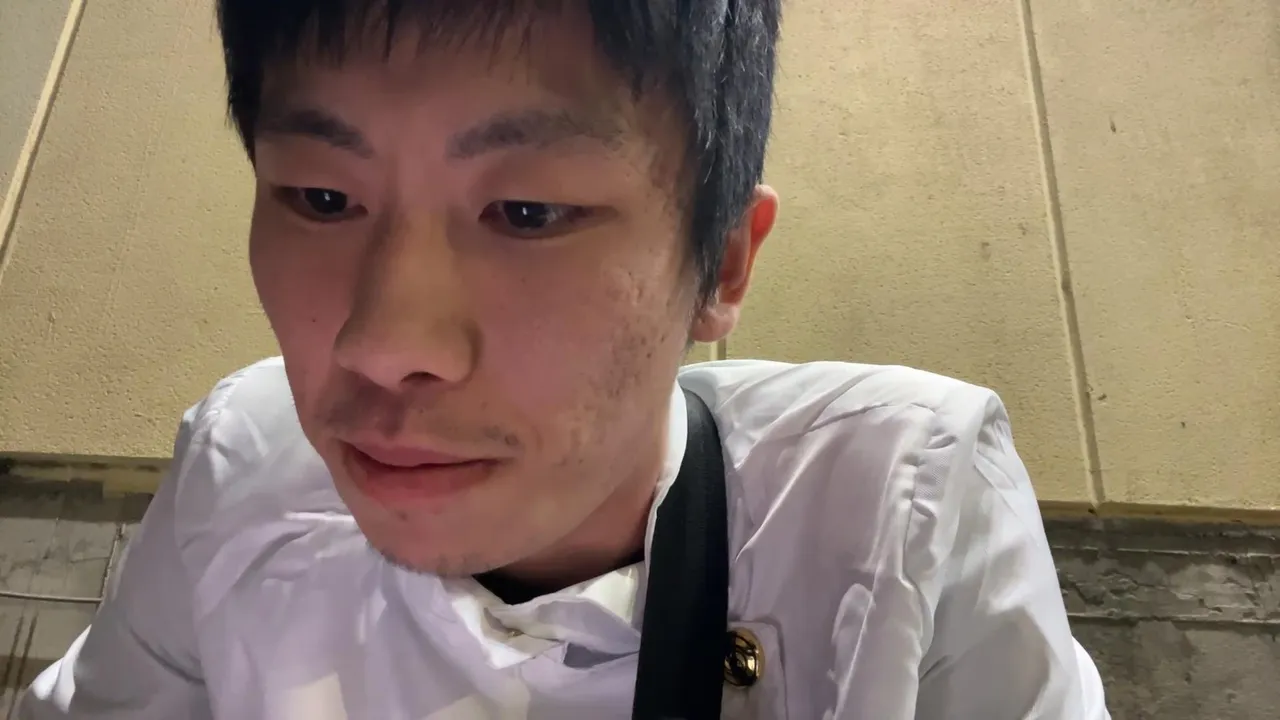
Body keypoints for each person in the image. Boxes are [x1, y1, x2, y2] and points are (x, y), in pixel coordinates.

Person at [19, 1, 1110, 718]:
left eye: (528, 212)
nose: (386, 345)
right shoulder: (242, 464)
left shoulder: (901, 502)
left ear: (724, 262)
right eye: (321, 197)